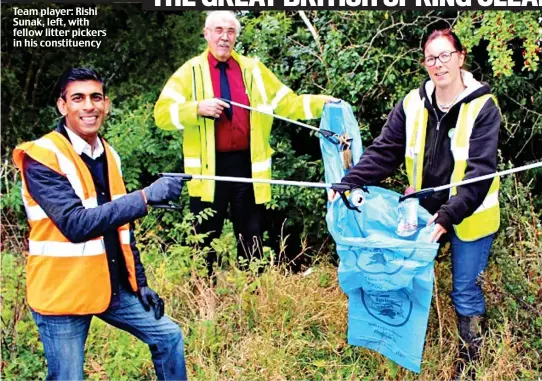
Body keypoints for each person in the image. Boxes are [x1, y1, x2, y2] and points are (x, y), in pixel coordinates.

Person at [330, 29, 501, 378]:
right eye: (431, 58)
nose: (439, 65)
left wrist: (448, 215)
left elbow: (480, 173)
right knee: (403, 277)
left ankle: (472, 363)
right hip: (422, 212)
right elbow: (385, 150)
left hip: (469, 215)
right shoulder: (413, 102)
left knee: (464, 290)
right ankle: (404, 346)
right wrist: (350, 181)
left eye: (445, 56)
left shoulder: (483, 107)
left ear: (461, 57)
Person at [12, 68, 187, 381]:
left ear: (106, 104)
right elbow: (75, 224)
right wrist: (146, 197)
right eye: (78, 98)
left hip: (108, 285)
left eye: (95, 97)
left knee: (168, 336)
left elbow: (122, 229)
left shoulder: (110, 155)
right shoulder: (42, 155)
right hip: (61, 292)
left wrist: (140, 283)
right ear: (62, 106)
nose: (88, 106)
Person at [154, 11, 337, 276]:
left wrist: (323, 103)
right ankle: (206, 301)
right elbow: (161, 114)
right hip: (208, 170)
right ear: (206, 34)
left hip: (247, 167)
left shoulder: (253, 70)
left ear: (236, 36)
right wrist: (196, 108)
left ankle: (254, 299)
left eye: (230, 31)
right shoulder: (189, 71)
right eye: (218, 30)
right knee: (204, 239)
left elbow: (288, 103)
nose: (224, 37)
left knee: (251, 238)